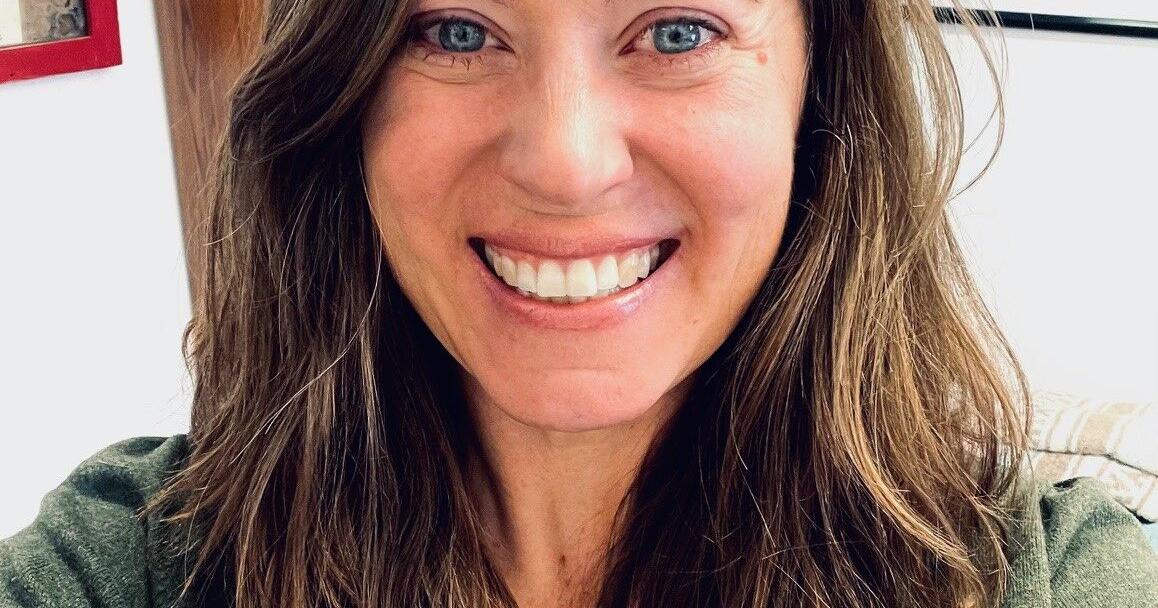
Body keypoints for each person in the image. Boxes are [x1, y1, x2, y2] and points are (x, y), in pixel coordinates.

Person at [2, 0, 1156, 606]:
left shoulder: (1051, 578)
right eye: (456, 31)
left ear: (820, 89)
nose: (565, 163)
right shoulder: (132, 563)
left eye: (678, 32)